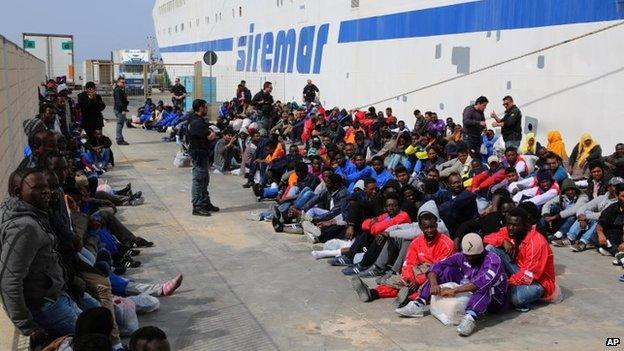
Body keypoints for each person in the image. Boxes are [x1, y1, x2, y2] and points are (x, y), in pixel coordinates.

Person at [0, 169, 80, 338]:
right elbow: (9, 281)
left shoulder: (32, 214)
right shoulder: (24, 227)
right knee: (94, 337)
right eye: (37, 188)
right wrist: (27, 326)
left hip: (56, 297)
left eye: (46, 187)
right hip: (46, 308)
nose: (46, 191)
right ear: (18, 193)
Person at [395, 233, 508, 337]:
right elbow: (437, 266)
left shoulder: (493, 261)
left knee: (485, 287)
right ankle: (419, 304)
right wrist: (434, 284)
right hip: (469, 286)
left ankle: (470, 318)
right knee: (447, 271)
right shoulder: (462, 256)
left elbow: (481, 282)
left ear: (481, 252)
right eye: (467, 255)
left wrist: (455, 290)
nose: (469, 258)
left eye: (473, 256)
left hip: (495, 299)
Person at [350, 212, 454, 306]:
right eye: (426, 228)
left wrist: (418, 280)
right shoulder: (416, 242)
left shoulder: (447, 244)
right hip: (417, 272)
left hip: (434, 275)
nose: (430, 230)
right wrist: (409, 278)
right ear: (421, 228)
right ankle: (372, 293)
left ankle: (409, 299)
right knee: (398, 282)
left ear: (436, 226)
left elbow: (438, 267)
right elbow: (409, 262)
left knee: (426, 287)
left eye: (432, 227)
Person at [486, 208, 560, 311]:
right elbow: (487, 238)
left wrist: (504, 283)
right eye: (508, 224)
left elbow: (528, 275)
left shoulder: (536, 243)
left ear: (526, 225)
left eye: (515, 225)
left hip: (537, 281)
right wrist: (503, 240)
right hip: (519, 269)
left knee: (516, 298)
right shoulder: (510, 231)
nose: (511, 228)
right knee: (490, 248)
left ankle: (523, 298)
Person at [187, 99, 220, 216]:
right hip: (198, 153)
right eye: (205, 107)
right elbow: (210, 136)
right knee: (199, 180)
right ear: (200, 108)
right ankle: (197, 206)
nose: (207, 109)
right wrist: (212, 133)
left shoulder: (195, 119)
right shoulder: (197, 122)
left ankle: (205, 202)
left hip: (201, 152)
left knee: (204, 179)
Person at [596, 183, 624, 256]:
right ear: (617, 196)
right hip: (613, 236)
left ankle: (614, 252)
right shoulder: (611, 209)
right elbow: (600, 225)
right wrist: (601, 235)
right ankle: (618, 253)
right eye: (623, 196)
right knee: (598, 238)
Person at [113, 76, 130, 145]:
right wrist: (123, 110)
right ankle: (119, 139)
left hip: (120, 109)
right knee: (120, 124)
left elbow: (123, 100)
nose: (124, 84)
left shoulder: (120, 89)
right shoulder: (118, 90)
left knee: (121, 124)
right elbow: (119, 101)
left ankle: (120, 138)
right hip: (119, 110)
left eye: (124, 82)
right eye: (122, 82)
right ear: (118, 82)